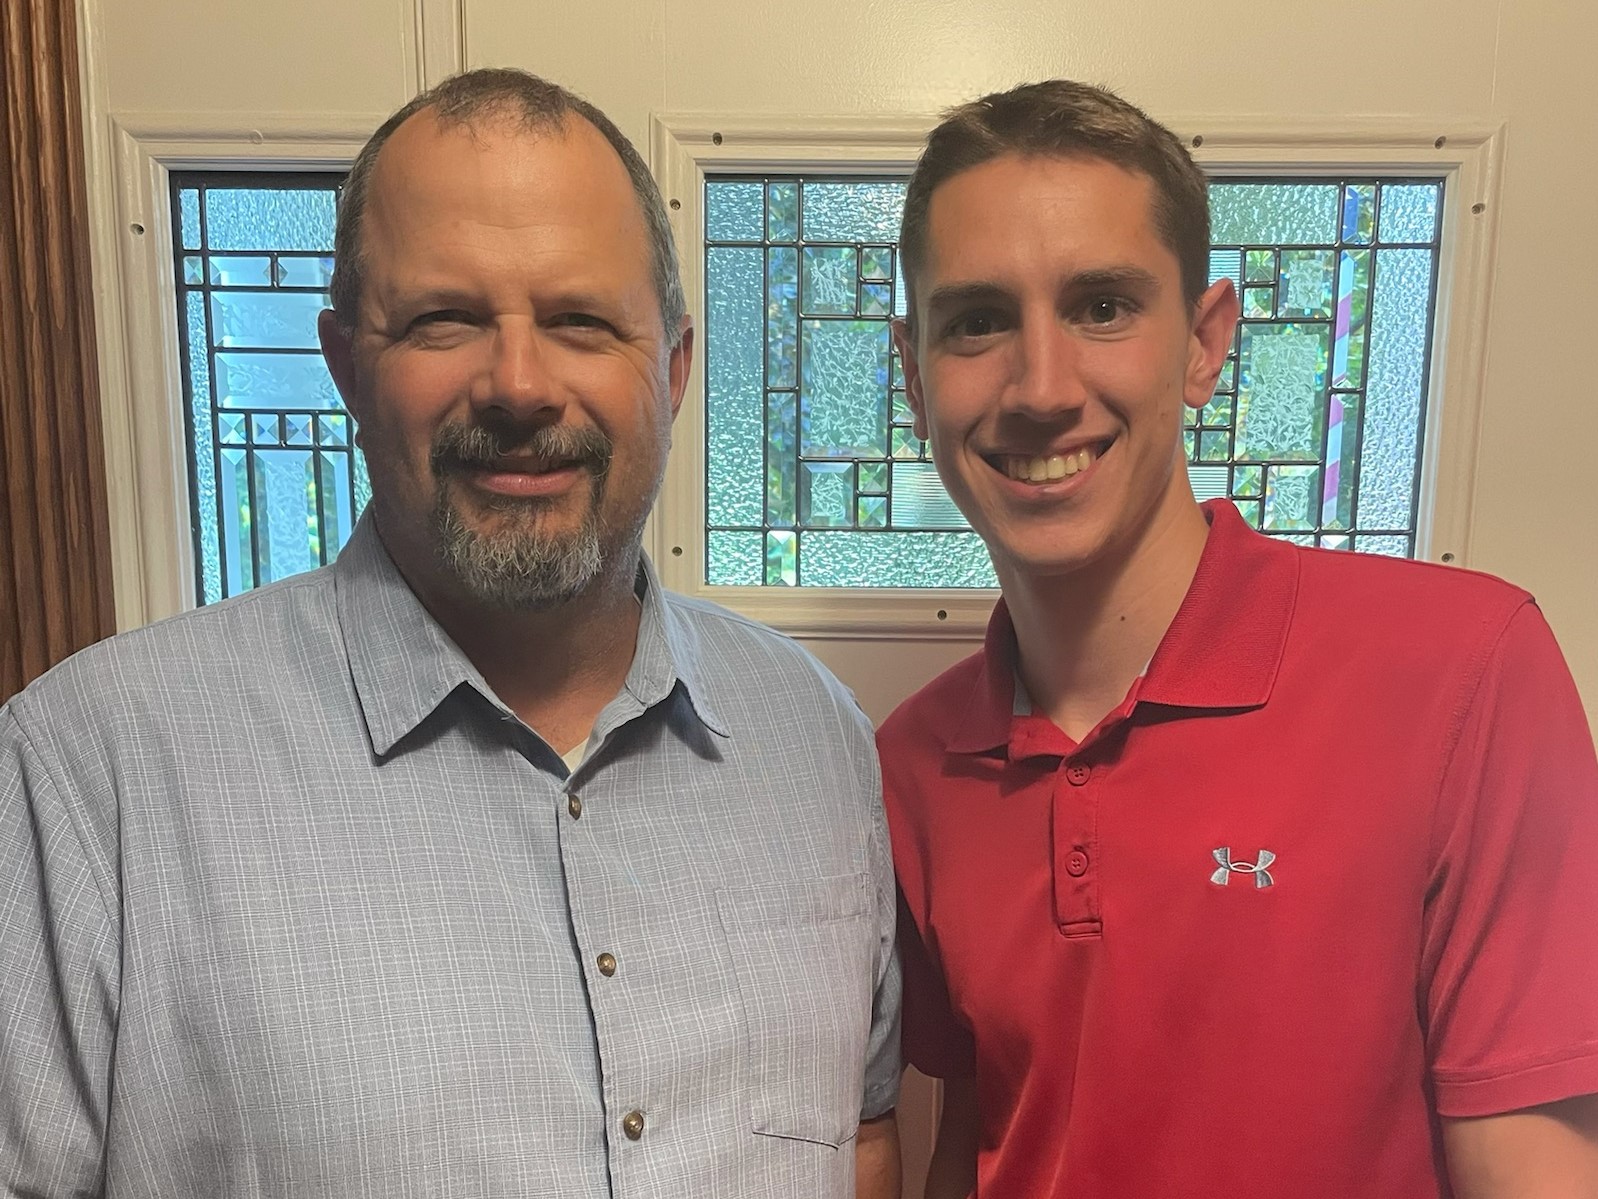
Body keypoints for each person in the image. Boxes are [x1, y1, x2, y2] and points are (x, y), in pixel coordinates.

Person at [0, 68, 900, 1198]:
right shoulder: (90, 773)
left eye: (578, 320)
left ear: (670, 371)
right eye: (444, 320)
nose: (518, 385)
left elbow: (862, 1132)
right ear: (344, 366)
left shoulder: (814, 739)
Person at [879, 79, 1598, 1198]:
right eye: (976, 320)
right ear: (912, 379)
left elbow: (1532, 1167)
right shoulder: (911, 765)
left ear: (1204, 344)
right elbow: (973, 1136)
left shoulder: (1463, 670)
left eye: (1102, 306)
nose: (1040, 386)